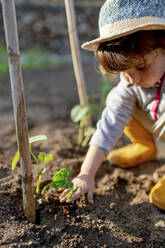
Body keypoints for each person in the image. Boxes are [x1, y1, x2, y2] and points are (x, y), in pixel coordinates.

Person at [59, 0, 165, 210]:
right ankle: (145, 147)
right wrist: (86, 174)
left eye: (141, 68)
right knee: (118, 102)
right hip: (156, 124)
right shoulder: (130, 83)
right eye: (124, 70)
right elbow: (109, 125)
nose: (132, 78)